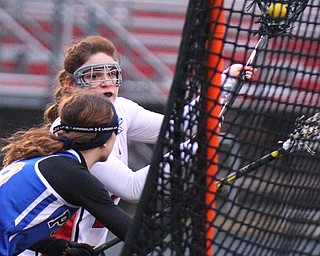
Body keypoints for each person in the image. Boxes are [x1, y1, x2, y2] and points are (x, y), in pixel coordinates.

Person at [20, 35, 256, 255]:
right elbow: (132, 188)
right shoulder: (74, 131)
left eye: (111, 73)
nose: (106, 83)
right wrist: (194, 150)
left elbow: (178, 126)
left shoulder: (121, 110)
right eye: (94, 76)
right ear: (71, 84)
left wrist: (225, 83)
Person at [0, 91, 132, 255]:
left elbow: (17, 228)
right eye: (117, 128)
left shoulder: (50, 162)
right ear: (105, 139)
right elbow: (137, 237)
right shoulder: (73, 176)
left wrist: (61, 248)